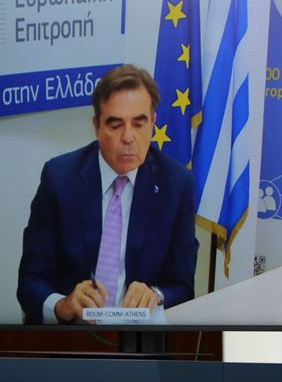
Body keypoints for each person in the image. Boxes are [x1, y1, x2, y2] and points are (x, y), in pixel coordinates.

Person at [17, 65, 198, 324]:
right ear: (97, 126)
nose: (128, 137)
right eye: (115, 124)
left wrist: (155, 295)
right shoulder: (60, 178)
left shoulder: (176, 184)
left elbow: (183, 287)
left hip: (139, 341)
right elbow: (29, 282)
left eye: (139, 123)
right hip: (72, 340)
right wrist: (62, 305)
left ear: (153, 122)